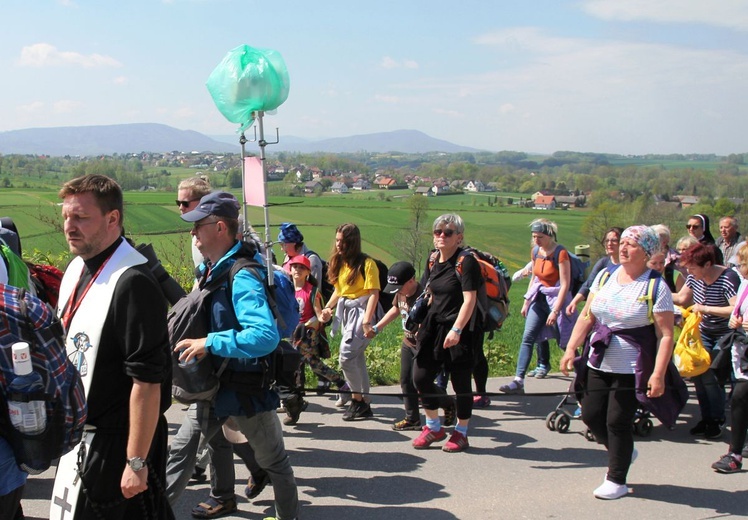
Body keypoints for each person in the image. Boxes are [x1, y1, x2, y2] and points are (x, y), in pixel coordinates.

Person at [56, 174, 174, 519]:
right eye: (66, 216)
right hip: (83, 436)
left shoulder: (133, 282)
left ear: (112, 219)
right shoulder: (78, 267)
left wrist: (135, 461)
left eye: (81, 217)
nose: (69, 226)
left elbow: (148, 382)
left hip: (118, 443)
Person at [177, 191, 299, 520]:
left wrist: (210, 342)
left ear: (219, 228)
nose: (192, 232)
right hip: (213, 385)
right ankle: (219, 499)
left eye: (197, 225)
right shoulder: (211, 268)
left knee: (275, 463)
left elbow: (264, 335)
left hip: (246, 389)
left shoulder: (242, 274)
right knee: (188, 451)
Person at [560, 225, 676, 500]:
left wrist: (658, 374)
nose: (623, 248)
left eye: (631, 244)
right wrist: (571, 349)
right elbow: (588, 316)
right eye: (622, 242)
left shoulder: (655, 286)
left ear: (646, 252)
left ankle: (617, 479)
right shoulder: (604, 276)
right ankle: (622, 452)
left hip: (631, 368)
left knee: (617, 422)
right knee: (590, 415)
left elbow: (666, 335)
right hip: (598, 361)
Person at [410, 214, 481, 453]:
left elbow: (470, 299)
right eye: (438, 231)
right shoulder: (432, 259)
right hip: (432, 327)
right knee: (420, 377)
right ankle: (433, 426)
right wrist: (418, 322)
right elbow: (426, 294)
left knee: (461, 384)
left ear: (459, 237)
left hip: (459, 329)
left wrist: (457, 330)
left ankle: (461, 433)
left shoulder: (466, 262)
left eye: (448, 232)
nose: (441, 236)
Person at [368, 261, 456, 431]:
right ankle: (412, 419)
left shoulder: (426, 295)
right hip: (408, 342)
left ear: (411, 280)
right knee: (406, 381)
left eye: (400, 286)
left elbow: (432, 319)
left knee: (421, 383)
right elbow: (396, 310)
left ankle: (448, 402)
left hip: (424, 346)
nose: (398, 290)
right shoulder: (400, 292)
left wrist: (422, 331)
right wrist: (377, 327)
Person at [500, 219, 577, 395]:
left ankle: (582, 374)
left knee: (564, 340)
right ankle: (518, 380)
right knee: (528, 337)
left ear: (550, 236)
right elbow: (535, 278)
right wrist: (527, 301)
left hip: (556, 299)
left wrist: (556, 311)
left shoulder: (560, 253)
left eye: (540, 237)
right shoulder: (535, 251)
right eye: (534, 236)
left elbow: (565, 284)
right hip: (539, 298)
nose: (536, 240)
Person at [673, 242, 739, 438]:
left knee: (711, 375)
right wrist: (655, 292)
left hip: (724, 333)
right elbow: (682, 297)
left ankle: (717, 419)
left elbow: (734, 309)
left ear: (708, 264)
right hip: (703, 331)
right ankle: (706, 417)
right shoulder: (694, 277)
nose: (688, 271)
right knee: (698, 374)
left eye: (692, 268)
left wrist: (706, 308)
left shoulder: (728, 278)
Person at [319, 223, 380, 421]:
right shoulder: (339, 262)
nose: (338, 245)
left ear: (352, 242)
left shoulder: (367, 264)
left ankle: (357, 399)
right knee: (356, 357)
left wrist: (366, 322)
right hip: (348, 313)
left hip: (363, 312)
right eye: (337, 240)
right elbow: (340, 290)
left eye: (342, 241)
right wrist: (328, 308)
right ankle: (365, 402)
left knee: (346, 357)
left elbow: (373, 294)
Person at [285, 254, 348, 425]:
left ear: (307, 272)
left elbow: (319, 315)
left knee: (295, 363)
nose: (297, 270)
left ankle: (295, 400)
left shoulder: (312, 291)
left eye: (301, 268)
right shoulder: (287, 289)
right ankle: (340, 382)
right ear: (289, 270)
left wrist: (319, 318)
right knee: (313, 364)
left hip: (307, 335)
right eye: (295, 267)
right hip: (292, 333)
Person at [711, 243, 748, 473]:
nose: (740, 267)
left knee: (740, 397)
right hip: (743, 351)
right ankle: (734, 453)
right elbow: (737, 312)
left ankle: (735, 452)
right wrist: (734, 320)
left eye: (743, 263)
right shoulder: (744, 284)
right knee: (739, 398)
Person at [565, 227, 623, 316]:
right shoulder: (603, 263)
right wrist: (574, 302)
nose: (609, 244)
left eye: (614, 240)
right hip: (601, 310)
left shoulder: (627, 266)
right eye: (607, 241)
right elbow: (588, 284)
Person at [177, 177, 212, 268]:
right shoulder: (197, 233)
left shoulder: (217, 230)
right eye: (178, 203)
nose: (180, 207)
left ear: (202, 201)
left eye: (185, 203)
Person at [278, 222, 323, 290]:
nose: (281, 249)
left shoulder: (312, 260)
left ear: (293, 243)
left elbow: (315, 291)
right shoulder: (288, 256)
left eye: (283, 245)